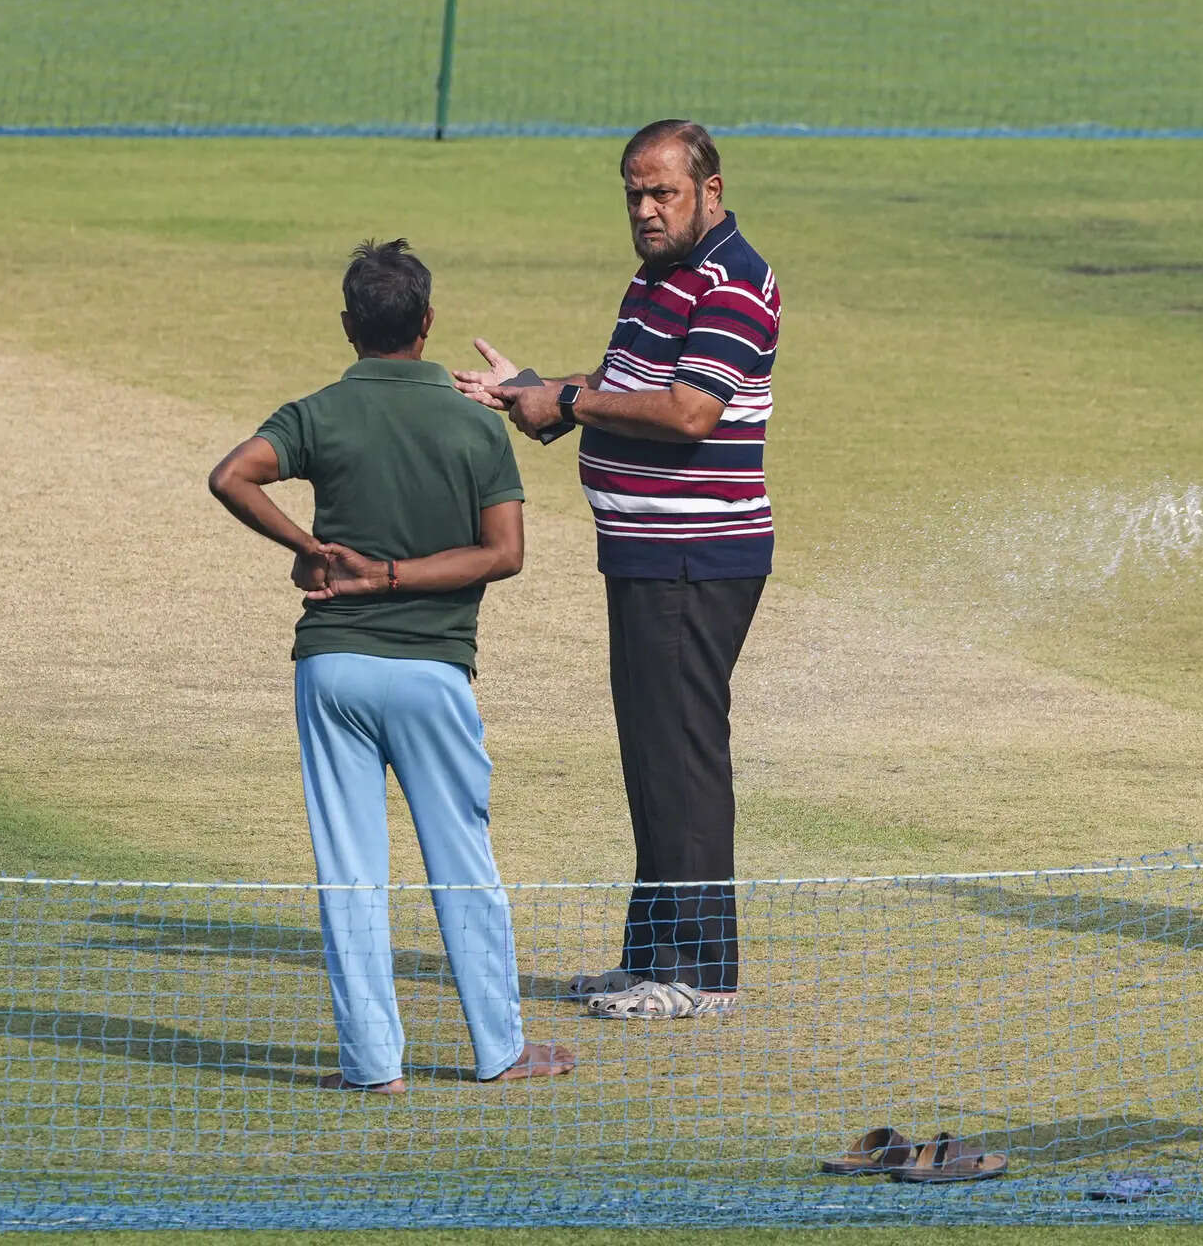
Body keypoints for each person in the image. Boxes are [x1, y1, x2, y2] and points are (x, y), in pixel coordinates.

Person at [207, 238, 575, 1088]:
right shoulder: (471, 423)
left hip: (331, 668)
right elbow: (504, 553)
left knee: (349, 871)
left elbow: (232, 477)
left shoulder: (317, 412)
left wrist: (311, 550)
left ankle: (373, 1066)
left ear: (349, 327)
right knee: (462, 863)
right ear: (429, 322)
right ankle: (500, 1052)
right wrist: (399, 578)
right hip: (432, 673)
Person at [454, 120, 779, 1020]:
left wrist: (565, 400)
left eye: (662, 192)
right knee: (652, 758)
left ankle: (701, 976)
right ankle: (652, 960)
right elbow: (624, 383)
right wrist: (539, 395)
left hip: (695, 557)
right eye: (633, 193)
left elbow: (687, 414)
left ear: (709, 189)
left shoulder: (735, 281)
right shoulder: (657, 278)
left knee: (682, 755)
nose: (644, 208)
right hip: (645, 555)